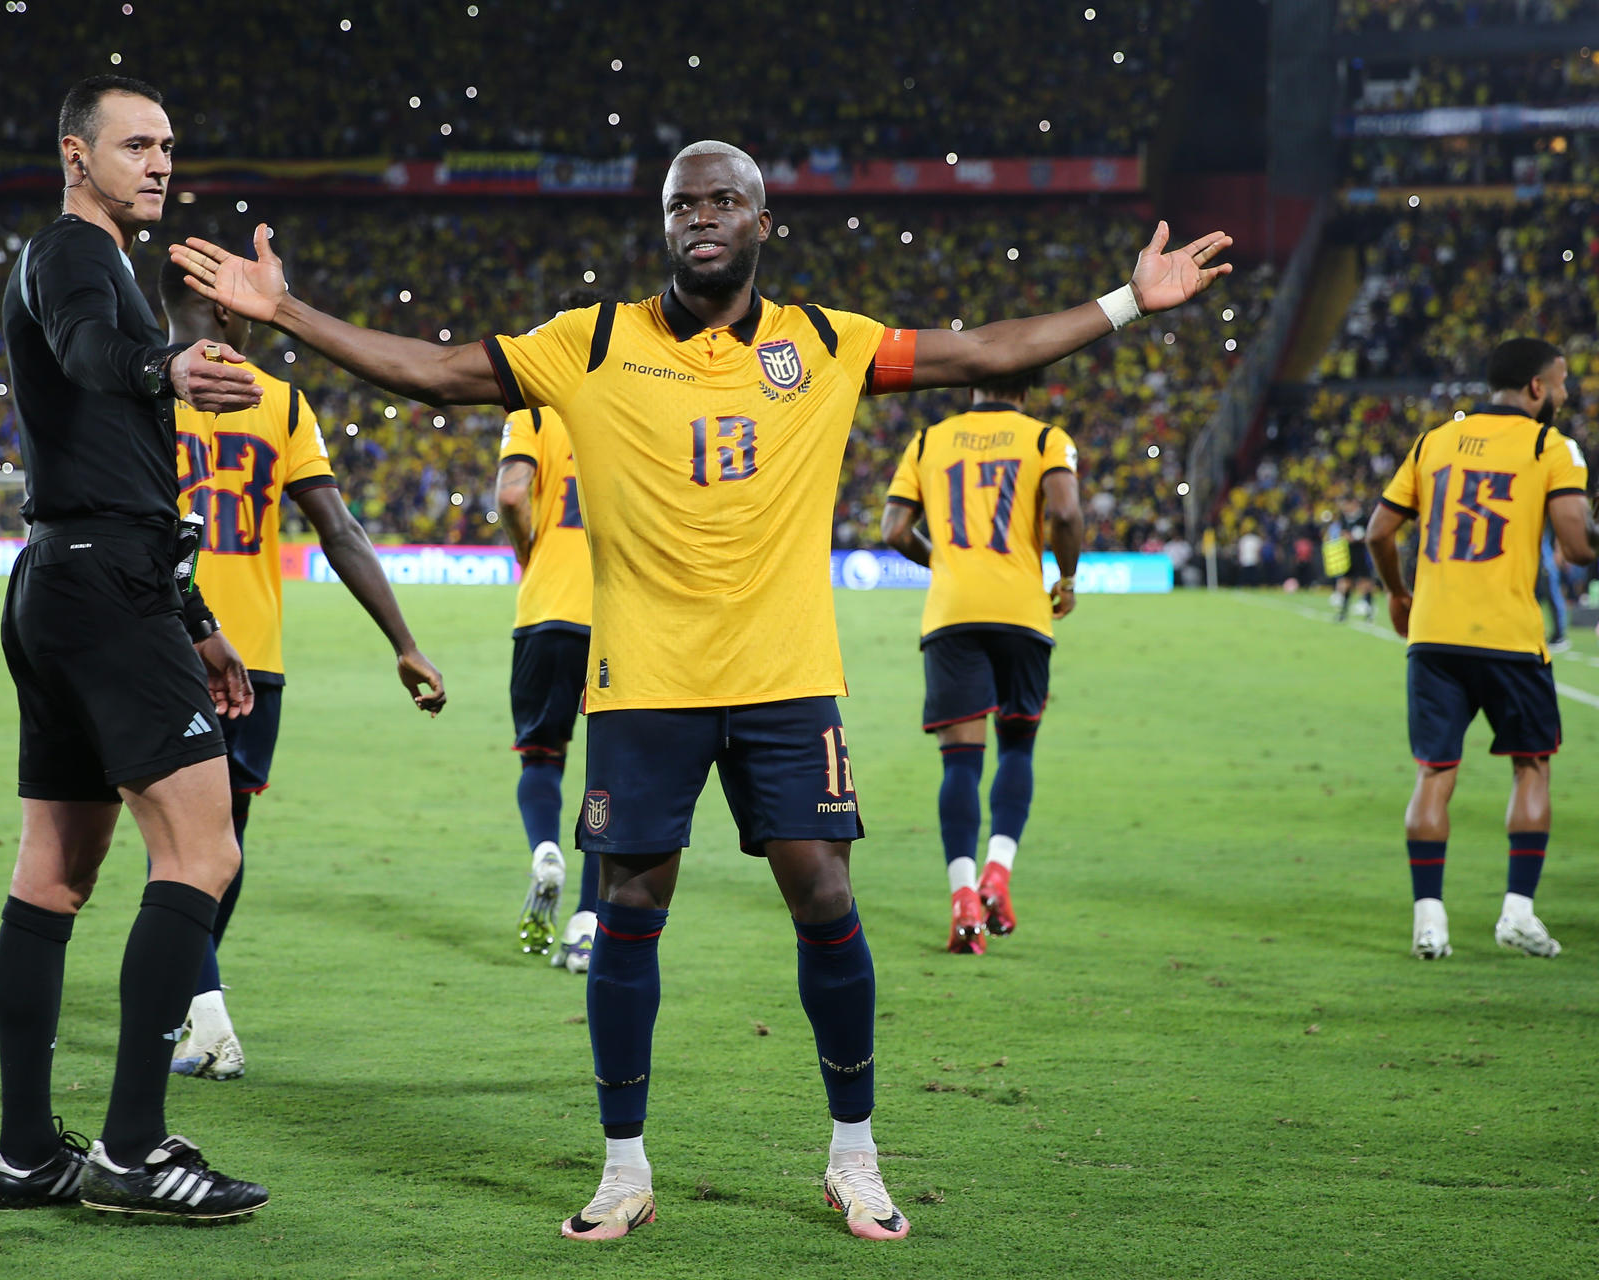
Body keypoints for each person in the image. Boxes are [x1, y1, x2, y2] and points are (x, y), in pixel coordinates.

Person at [169, 138, 1231, 1242]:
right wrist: (288, 313)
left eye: (726, 199)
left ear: (764, 221)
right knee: (629, 907)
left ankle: (855, 1155)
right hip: (643, 684)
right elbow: (435, 371)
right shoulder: (590, 342)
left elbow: (988, 349)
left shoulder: (827, 343)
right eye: (686, 202)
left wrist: (1130, 303)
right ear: (664, 223)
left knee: (826, 897)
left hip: (787, 681)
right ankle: (624, 1167)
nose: (704, 215)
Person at [0, 75, 270, 1221]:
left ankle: (23, 1153)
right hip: (101, 589)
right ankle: (135, 1148)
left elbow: (119, 460)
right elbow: (96, 353)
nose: (159, 162)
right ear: (73, 152)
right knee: (204, 853)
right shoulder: (70, 254)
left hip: (71, 580)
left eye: (168, 144)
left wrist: (195, 620)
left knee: (53, 873)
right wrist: (169, 367)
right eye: (135, 143)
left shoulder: (100, 259)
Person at [159, 257, 447, 1081]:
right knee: (221, 843)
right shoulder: (281, 403)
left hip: (164, 648)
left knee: (171, 839)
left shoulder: (143, 392)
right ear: (230, 316)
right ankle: (193, 1006)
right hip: (258, 664)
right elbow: (340, 530)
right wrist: (403, 638)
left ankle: (203, 1015)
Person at [1364, 338, 1596, 961]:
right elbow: (1576, 547)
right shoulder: (1552, 447)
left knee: (1435, 773)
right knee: (1532, 764)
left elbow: (1380, 530)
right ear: (1537, 388)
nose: (1568, 393)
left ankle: (1429, 921)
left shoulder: (1435, 441)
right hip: (1510, 639)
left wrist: (1396, 592)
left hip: (1433, 635)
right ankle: (1517, 912)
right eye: (1564, 382)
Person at [879, 371, 1083, 955]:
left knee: (960, 763)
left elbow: (894, 529)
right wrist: (1066, 579)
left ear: (971, 385)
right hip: (1023, 614)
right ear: (1032, 385)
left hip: (951, 617)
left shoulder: (926, 441)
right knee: (1017, 747)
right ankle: (999, 870)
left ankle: (963, 896)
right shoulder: (1046, 439)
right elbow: (1065, 515)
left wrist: (943, 564)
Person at [496, 291, 601, 972]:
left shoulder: (533, 411)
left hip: (545, 611)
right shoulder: (632, 402)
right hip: (622, 615)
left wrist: (530, 550)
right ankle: (588, 926)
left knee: (542, 757)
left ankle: (544, 851)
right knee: (612, 776)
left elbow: (510, 494)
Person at [1325, 498, 1375, 622]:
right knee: (1346, 582)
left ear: (1354, 503)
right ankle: (1343, 613)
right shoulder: (1344, 519)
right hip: (1347, 556)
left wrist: (1354, 538)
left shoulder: (1364, 519)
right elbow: (1341, 534)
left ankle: (1369, 612)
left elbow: (1369, 535)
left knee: (1364, 582)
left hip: (1361, 555)